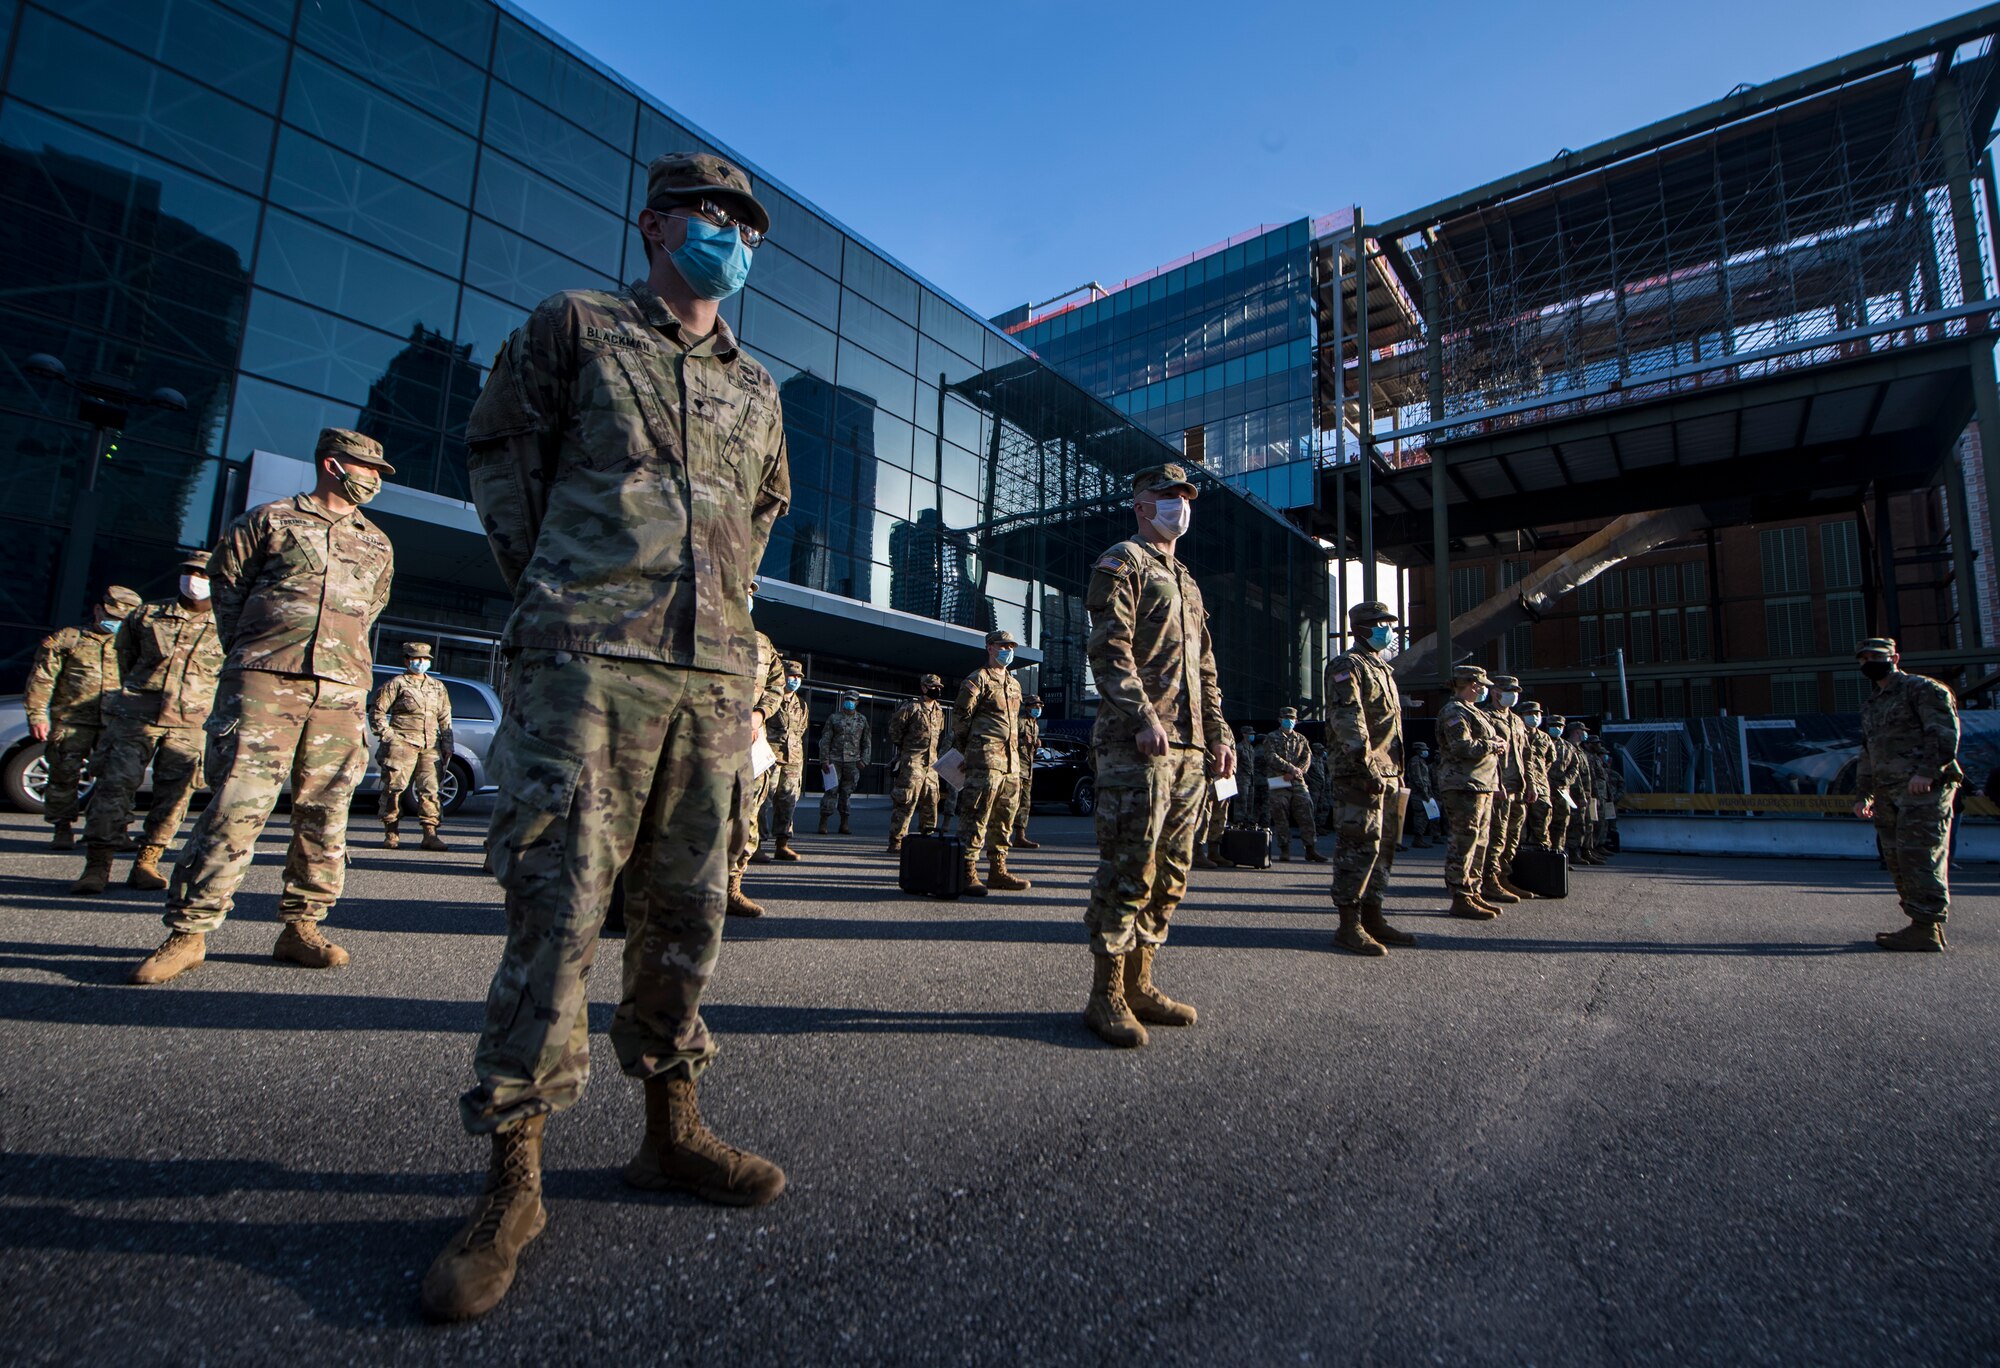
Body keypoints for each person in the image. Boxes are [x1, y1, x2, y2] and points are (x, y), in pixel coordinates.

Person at [422, 152, 791, 1322]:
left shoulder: (757, 385)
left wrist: (720, 623)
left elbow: (761, 510)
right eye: (707, 213)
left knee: (686, 914)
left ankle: (670, 1133)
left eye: (743, 222)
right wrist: (569, 594)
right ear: (653, 224)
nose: (726, 233)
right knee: (559, 914)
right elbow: (501, 458)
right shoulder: (574, 326)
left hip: (710, 679)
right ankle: (510, 1184)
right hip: (584, 665)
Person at [131, 432, 394, 986]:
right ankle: (190, 931)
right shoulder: (268, 520)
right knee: (237, 804)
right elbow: (228, 595)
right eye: (365, 468)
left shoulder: (377, 543)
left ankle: (302, 926)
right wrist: (258, 655)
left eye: (377, 472)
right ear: (331, 464)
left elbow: (370, 612)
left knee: (327, 812)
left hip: (341, 689)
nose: (372, 479)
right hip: (265, 681)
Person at [1080, 463, 1234, 1047]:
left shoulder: (1188, 581)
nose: (1179, 506)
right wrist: (1141, 716)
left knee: (1171, 874)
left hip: (1190, 748)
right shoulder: (1123, 561)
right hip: (1137, 744)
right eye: (1167, 497)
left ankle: (1143, 982)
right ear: (1142, 505)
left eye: (1185, 497)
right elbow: (1108, 647)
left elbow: (1207, 670)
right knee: (1129, 869)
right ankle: (1107, 995)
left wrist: (1219, 736)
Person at [70, 555, 224, 894]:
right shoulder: (147, 615)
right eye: (188, 572)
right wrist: (138, 694)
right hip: (137, 715)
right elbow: (124, 657)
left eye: (202, 573)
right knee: (113, 787)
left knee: (175, 797)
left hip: (190, 722)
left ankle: (147, 862)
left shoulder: (227, 623)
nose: (194, 578)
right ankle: (97, 865)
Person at [1852, 636, 1962, 952]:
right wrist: (1864, 795)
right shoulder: (1874, 704)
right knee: (1898, 858)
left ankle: (1927, 926)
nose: (1868, 663)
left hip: (1922, 788)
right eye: (1862, 659)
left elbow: (1943, 733)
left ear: (1895, 657)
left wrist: (1927, 772)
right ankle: (1920, 924)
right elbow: (1869, 751)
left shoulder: (1923, 689)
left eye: (1874, 656)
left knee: (1920, 855)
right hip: (1888, 792)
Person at [25, 584, 142, 850]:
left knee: (119, 778)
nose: (114, 623)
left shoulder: (133, 645)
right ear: (98, 609)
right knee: (64, 775)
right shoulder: (69, 639)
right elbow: (42, 679)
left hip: (116, 722)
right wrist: (37, 715)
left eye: (121, 620)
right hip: (72, 720)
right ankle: (62, 829)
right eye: (111, 617)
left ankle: (116, 830)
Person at [1326, 601, 1411, 954]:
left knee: (1383, 848)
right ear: (1361, 628)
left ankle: (1373, 915)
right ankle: (1349, 924)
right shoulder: (1348, 665)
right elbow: (1349, 720)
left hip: (1387, 772)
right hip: (1361, 774)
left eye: (1389, 624)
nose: (1388, 630)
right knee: (1358, 846)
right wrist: (1367, 768)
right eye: (1382, 624)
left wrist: (1394, 772)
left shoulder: (1382, 669)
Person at [952, 630, 1029, 895]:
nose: (1007, 650)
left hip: (1011, 764)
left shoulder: (1014, 684)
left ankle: (998, 871)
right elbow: (961, 718)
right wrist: (967, 751)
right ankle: (967, 872)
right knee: (976, 815)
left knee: (1004, 818)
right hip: (985, 759)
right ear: (990, 648)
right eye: (1002, 645)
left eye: (1011, 646)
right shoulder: (977, 679)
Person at [726, 583, 787, 916]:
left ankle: (732, 887)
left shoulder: (762, 643)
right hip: (707, 741)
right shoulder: (704, 627)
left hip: (751, 744)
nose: (747, 598)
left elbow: (777, 683)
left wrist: (759, 713)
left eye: (751, 593)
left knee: (747, 817)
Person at [369, 641, 454, 852]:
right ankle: (391, 832)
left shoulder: (437, 686)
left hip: (430, 746)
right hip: (402, 745)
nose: (421, 662)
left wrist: (447, 743)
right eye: (417, 659)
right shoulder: (396, 684)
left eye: (425, 659)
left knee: (431, 790)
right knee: (394, 789)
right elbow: (377, 712)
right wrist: (389, 737)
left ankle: (430, 834)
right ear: (406, 660)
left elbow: (445, 717)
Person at [1436, 665, 1505, 920]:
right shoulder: (1454, 711)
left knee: (1480, 841)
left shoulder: (1473, 711)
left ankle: (1473, 890)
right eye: (1482, 686)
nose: (1485, 690)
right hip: (1463, 784)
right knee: (1464, 841)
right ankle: (1460, 895)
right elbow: (1460, 746)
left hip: (1481, 783)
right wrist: (1493, 744)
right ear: (1473, 684)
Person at [1475, 674, 1536, 905]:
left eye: (1516, 691)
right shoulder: (1486, 717)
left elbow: (1527, 756)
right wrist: (1496, 783)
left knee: (1513, 836)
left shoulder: (1517, 721)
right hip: (1499, 786)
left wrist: (1530, 783)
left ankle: (1503, 876)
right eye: (1509, 690)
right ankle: (1488, 880)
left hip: (1517, 787)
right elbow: (1489, 757)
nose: (1514, 695)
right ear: (1496, 692)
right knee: (1496, 836)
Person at [886, 673, 945, 853]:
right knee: (906, 801)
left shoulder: (939, 710)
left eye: (938, 687)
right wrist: (906, 751)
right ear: (924, 687)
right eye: (933, 686)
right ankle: (897, 840)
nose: (936, 690)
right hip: (913, 761)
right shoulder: (911, 708)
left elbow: (939, 734)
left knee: (931, 802)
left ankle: (926, 838)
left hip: (931, 764)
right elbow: (895, 730)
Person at [1262, 707, 1324, 863]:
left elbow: (1307, 758)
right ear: (1279, 720)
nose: (1288, 721)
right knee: (1280, 813)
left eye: (1291, 718)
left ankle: (1310, 849)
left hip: (1297, 780)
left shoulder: (1301, 739)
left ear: (1296, 721)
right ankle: (1284, 849)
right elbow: (1271, 756)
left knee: (1306, 809)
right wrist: (1289, 768)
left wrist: (1297, 772)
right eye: (1285, 718)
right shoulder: (1271, 737)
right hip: (1279, 780)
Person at [761, 659, 808, 861]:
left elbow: (801, 731)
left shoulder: (801, 704)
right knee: (763, 801)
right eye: (791, 676)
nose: (795, 680)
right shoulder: (770, 699)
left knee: (788, 802)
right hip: (770, 757)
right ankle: (755, 846)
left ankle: (782, 844)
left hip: (793, 760)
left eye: (798, 677)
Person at [817, 690, 870, 834]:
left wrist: (864, 760)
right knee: (830, 791)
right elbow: (825, 740)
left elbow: (866, 742)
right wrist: (824, 760)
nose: (849, 702)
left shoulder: (862, 720)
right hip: (834, 761)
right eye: (847, 699)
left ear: (857, 702)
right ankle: (823, 822)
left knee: (847, 793)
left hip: (853, 762)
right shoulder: (834, 718)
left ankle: (844, 823)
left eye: (852, 700)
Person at [1192, 721, 1235, 869]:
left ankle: (1214, 851)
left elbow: (1232, 750)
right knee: (1203, 814)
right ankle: (1197, 852)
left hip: (1224, 778)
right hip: (1207, 775)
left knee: (1220, 814)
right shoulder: (1202, 724)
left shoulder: (1224, 727)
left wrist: (1231, 768)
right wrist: (1216, 766)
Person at [1517, 699, 1557, 849]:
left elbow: (1550, 759)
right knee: (1518, 827)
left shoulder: (1545, 737)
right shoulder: (1517, 734)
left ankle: (1544, 857)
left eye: (1536, 714)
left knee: (1542, 825)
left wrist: (1538, 775)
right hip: (1519, 784)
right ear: (1521, 715)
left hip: (1540, 787)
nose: (1534, 717)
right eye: (1530, 714)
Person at [1565, 721, 1602, 864]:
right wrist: (1579, 794)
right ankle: (1573, 853)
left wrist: (1592, 794)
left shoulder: (1581, 751)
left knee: (1587, 823)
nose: (1584, 733)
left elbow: (1589, 775)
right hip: (1574, 794)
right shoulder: (1568, 747)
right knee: (1575, 825)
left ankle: (1585, 850)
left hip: (1585, 793)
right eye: (1582, 730)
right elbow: (1574, 774)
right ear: (1576, 731)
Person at [1012, 695, 1044, 849]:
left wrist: (1036, 745)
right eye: (1034, 706)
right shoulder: (1018, 722)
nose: (1037, 709)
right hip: (1016, 770)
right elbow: (1007, 742)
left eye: (1039, 707)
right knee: (1010, 804)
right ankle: (1000, 836)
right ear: (1027, 707)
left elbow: (1031, 751)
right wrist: (1021, 741)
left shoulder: (1035, 726)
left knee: (1025, 804)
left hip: (1028, 770)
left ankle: (1020, 836)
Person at [1543, 714, 1576, 856]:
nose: (1556, 728)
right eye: (1553, 725)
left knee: (1561, 823)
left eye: (1559, 726)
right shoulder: (1542, 741)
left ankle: (1559, 854)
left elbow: (1574, 768)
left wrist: (1566, 781)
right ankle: (1545, 854)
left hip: (1562, 791)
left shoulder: (1568, 747)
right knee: (1544, 822)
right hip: (1545, 789)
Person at [1403, 744, 1436, 850]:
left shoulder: (1421, 761)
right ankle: (1418, 839)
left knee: (1426, 815)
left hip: (1424, 793)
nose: (1426, 751)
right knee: (1420, 815)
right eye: (1424, 750)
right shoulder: (1415, 761)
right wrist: (1424, 793)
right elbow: (1417, 778)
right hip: (1419, 793)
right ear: (1418, 750)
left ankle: (1419, 838)